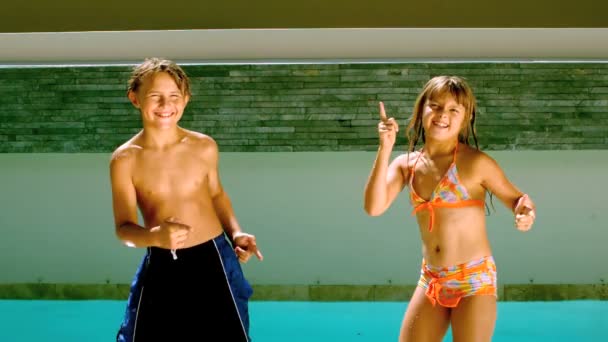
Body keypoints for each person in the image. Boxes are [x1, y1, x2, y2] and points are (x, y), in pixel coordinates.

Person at [363, 76, 536, 342]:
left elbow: (517, 199)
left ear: (465, 118)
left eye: (454, 110)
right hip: (431, 278)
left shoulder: (476, 163)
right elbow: (373, 208)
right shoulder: (406, 165)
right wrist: (384, 148)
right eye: (435, 106)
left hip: (473, 280)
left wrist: (525, 213)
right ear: (422, 109)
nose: (443, 115)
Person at [110, 57, 263, 342]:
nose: (166, 105)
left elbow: (216, 194)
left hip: (215, 257)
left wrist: (236, 232)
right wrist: (156, 236)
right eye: (155, 97)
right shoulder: (125, 159)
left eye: (173, 97)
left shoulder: (204, 146)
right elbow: (124, 229)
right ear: (135, 98)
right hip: (162, 261)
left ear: (186, 99)